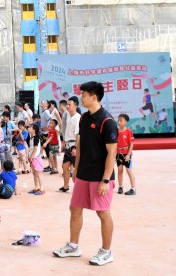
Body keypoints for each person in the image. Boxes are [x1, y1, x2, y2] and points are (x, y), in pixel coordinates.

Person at [53, 81, 118, 267]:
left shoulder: (107, 121)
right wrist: (77, 170)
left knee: (102, 213)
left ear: (94, 97)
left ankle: (106, 252)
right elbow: (80, 146)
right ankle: (73, 246)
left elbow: (112, 153)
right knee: (74, 209)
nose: (81, 98)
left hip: (100, 177)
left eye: (84, 95)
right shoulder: (84, 118)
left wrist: (105, 180)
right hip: (84, 174)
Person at [60, 96, 80, 192]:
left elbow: (78, 135)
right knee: (64, 167)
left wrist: (75, 147)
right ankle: (65, 186)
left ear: (75, 106)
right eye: (67, 104)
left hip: (74, 146)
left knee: (77, 169)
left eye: (69, 104)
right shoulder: (67, 115)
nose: (67, 106)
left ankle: (79, 189)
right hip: (68, 145)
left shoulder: (78, 118)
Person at [116, 114, 136, 195]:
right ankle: (120, 187)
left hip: (127, 154)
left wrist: (128, 154)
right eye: (118, 120)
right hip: (119, 154)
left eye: (121, 120)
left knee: (128, 170)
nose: (119, 122)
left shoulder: (128, 132)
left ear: (126, 122)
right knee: (120, 170)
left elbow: (131, 143)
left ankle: (133, 188)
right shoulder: (116, 132)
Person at [28, 123, 45, 195]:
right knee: (34, 174)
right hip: (32, 157)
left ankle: (42, 188)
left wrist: (31, 157)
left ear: (34, 130)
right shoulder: (31, 138)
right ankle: (36, 187)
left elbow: (35, 149)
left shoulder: (36, 138)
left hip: (35, 158)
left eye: (30, 127)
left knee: (38, 174)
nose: (28, 128)